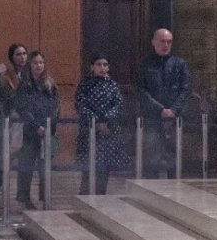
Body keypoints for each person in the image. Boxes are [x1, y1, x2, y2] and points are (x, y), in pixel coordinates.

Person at [136, 29, 191, 178]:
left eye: (169, 42)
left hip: (175, 119)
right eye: (162, 41)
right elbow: (141, 91)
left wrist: (173, 110)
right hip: (153, 118)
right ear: (154, 42)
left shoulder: (179, 64)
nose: (166, 45)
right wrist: (160, 110)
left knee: (174, 158)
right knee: (152, 158)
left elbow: (185, 89)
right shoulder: (145, 65)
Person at [75, 54, 128, 195]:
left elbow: (118, 105)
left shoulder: (112, 85)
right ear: (92, 67)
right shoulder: (85, 84)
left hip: (108, 133)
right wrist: (96, 122)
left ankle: (100, 197)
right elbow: (81, 105)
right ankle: (85, 198)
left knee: (104, 169)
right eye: (99, 64)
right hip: (89, 132)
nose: (102, 68)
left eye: (105, 65)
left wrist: (106, 121)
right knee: (88, 169)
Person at [14, 51, 59, 210]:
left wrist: (48, 126)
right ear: (30, 65)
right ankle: (23, 197)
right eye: (35, 63)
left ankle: (45, 197)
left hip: (48, 132)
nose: (39, 66)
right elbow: (22, 107)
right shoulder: (24, 85)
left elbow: (56, 107)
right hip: (31, 132)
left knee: (45, 166)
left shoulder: (50, 84)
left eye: (41, 62)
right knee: (26, 164)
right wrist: (36, 126)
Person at [0, 43, 28, 196]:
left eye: (24, 53)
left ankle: (23, 196)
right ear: (12, 57)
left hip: (27, 121)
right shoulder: (4, 77)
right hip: (8, 122)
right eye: (18, 54)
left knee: (23, 159)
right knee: (3, 158)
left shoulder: (30, 75)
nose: (22, 57)